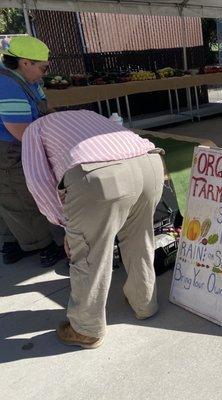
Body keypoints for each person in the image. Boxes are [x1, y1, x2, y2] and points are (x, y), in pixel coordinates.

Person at [22, 110, 165, 349]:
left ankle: (86, 329)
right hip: (150, 162)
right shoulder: (86, 114)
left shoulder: (34, 130)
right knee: (140, 238)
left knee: (90, 253)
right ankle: (145, 304)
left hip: (99, 176)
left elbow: (38, 182)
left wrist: (65, 224)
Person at [0, 35, 64, 267]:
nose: (44, 73)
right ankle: (43, 248)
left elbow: (43, 106)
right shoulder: (7, 84)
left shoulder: (28, 79)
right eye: (43, 67)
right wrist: (54, 144)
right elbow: (20, 130)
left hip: (16, 142)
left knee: (8, 200)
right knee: (21, 195)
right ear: (25, 62)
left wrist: (63, 119)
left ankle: (12, 243)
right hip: (8, 149)